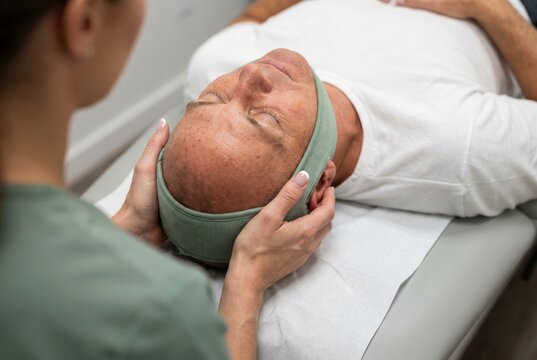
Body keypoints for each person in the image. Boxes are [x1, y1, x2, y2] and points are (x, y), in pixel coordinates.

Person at [0, 1, 335, 360]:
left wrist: (128, 227)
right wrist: (246, 280)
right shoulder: (160, 311)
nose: (251, 73)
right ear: (83, 22)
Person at [162, 0, 537, 220]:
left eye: (215, 99)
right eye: (265, 117)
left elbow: (255, 15)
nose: (250, 76)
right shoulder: (458, 147)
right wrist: (486, 8)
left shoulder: (210, 69)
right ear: (321, 183)